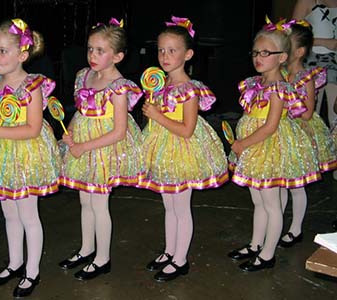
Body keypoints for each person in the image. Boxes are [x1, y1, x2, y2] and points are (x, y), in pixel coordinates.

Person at [227, 17, 321, 272]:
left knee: (272, 204)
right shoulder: (256, 83)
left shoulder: (279, 88)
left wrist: (242, 144)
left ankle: (268, 253)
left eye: (266, 53)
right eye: (256, 52)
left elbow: (270, 127)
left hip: (267, 147)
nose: (259, 57)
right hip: (253, 149)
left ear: (282, 57)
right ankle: (256, 243)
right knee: (258, 202)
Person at [139, 16, 229, 282]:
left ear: (188, 54)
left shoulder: (189, 90)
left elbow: (187, 129)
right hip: (163, 149)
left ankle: (181, 259)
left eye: (172, 50)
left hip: (183, 151)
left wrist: (156, 116)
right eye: (161, 50)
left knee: (181, 206)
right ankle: (169, 251)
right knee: (169, 205)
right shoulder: (160, 85)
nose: (165, 56)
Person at [0, 18, 61, 297]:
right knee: (8, 212)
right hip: (2, 154)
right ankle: (14, 262)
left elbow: (32, 128)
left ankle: (32, 270)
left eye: (3, 51)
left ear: (22, 55)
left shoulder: (32, 85)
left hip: (26, 154)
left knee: (28, 214)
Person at [58, 17, 145, 281]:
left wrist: (83, 146)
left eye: (100, 51)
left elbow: (119, 131)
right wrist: (68, 134)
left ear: (117, 56)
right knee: (85, 200)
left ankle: (102, 258)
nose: (92, 55)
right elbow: (80, 113)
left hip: (103, 147)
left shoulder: (118, 87)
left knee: (99, 203)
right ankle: (87, 248)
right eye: (90, 49)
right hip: (83, 142)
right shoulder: (84, 76)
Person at [279, 21, 337, 248]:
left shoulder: (306, 77)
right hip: (280, 132)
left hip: (300, 132)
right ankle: (277, 219)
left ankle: (296, 228)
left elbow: (308, 111)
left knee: (296, 184)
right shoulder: (280, 74)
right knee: (279, 181)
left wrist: (288, 103)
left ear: (300, 51)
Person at [292, 0, 337, 128]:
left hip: (335, 63)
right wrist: (325, 42)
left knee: (335, 115)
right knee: (310, 112)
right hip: (311, 61)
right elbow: (293, 35)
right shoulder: (307, 2)